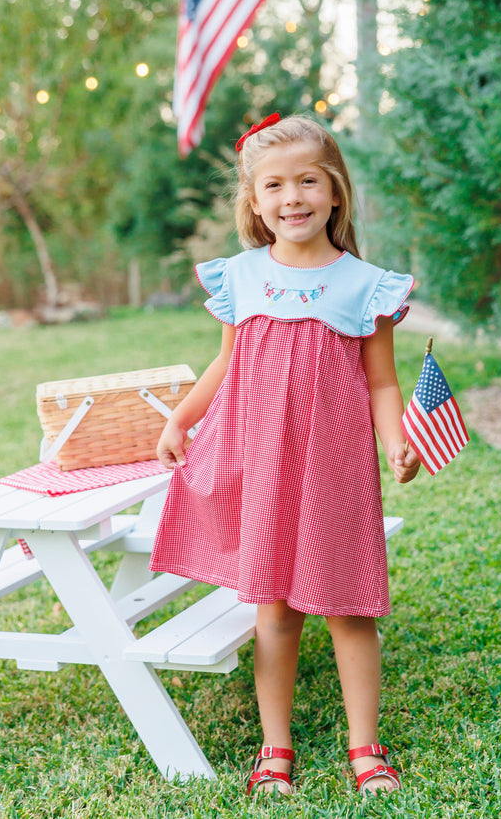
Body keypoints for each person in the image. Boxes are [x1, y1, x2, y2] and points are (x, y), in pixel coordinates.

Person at [150, 113, 421, 796]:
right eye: (274, 185)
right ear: (253, 200)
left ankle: (366, 747)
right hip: (265, 470)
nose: (292, 197)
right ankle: (276, 747)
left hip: (337, 471)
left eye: (308, 181)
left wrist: (397, 440)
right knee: (274, 611)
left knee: (349, 609)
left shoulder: (365, 285)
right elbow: (226, 365)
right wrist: (181, 418)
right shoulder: (241, 277)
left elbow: (382, 382)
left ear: (335, 193)